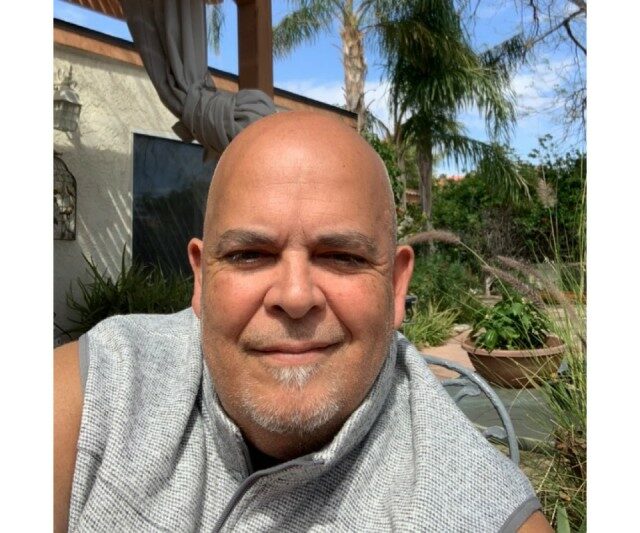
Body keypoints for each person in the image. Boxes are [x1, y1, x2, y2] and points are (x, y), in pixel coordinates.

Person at [54, 111, 552, 532]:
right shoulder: (102, 392)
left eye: (342, 257)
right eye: (250, 255)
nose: (295, 297)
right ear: (201, 278)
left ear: (396, 286)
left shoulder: (480, 511)